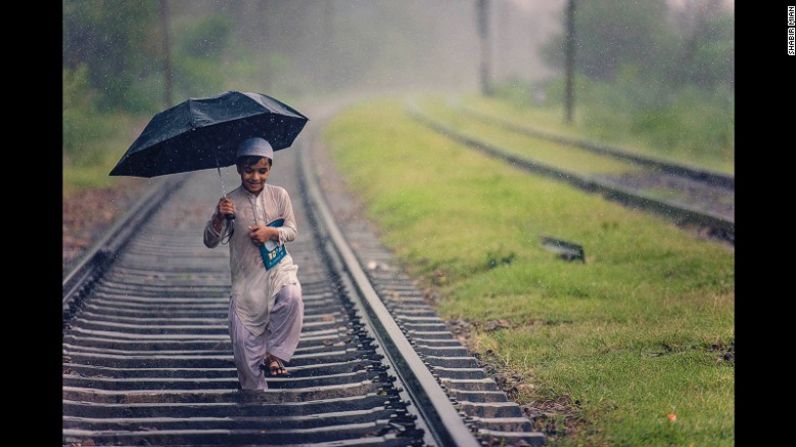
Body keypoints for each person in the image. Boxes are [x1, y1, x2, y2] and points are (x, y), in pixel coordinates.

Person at [203, 137, 304, 391]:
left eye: (262, 170)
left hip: (277, 269)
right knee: (244, 351)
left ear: (270, 168)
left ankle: (275, 353)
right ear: (238, 169)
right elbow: (210, 242)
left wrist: (271, 232)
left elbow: (292, 231)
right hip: (246, 279)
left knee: (291, 295)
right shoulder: (229, 202)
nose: (256, 177)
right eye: (249, 170)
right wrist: (218, 217)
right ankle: (256, 399)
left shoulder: (279, 195)